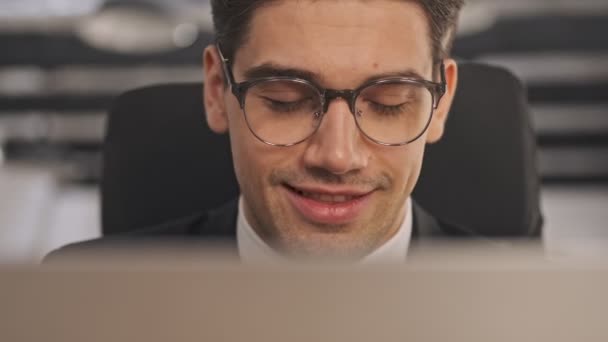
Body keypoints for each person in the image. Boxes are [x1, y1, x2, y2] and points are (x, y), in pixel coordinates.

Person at [48, 0, 472, 263]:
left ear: (441, 104)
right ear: (218, 91)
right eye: (285, 99)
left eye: (388, 103)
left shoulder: (531, 317)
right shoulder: (68, 304)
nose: (338, 156)